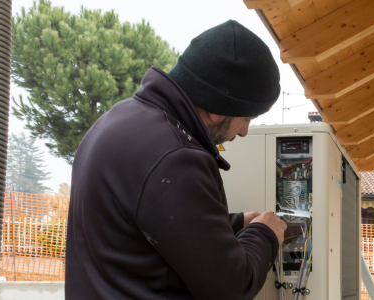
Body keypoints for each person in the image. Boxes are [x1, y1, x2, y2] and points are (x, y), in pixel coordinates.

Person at [65, 20, 287, 300]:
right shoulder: (177, 158)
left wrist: (235, 224)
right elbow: (231, 286)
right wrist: (264, 235)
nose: (244, 131)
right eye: (246, 118)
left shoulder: (116, 122)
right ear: (217, 109)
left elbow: (149, 228)